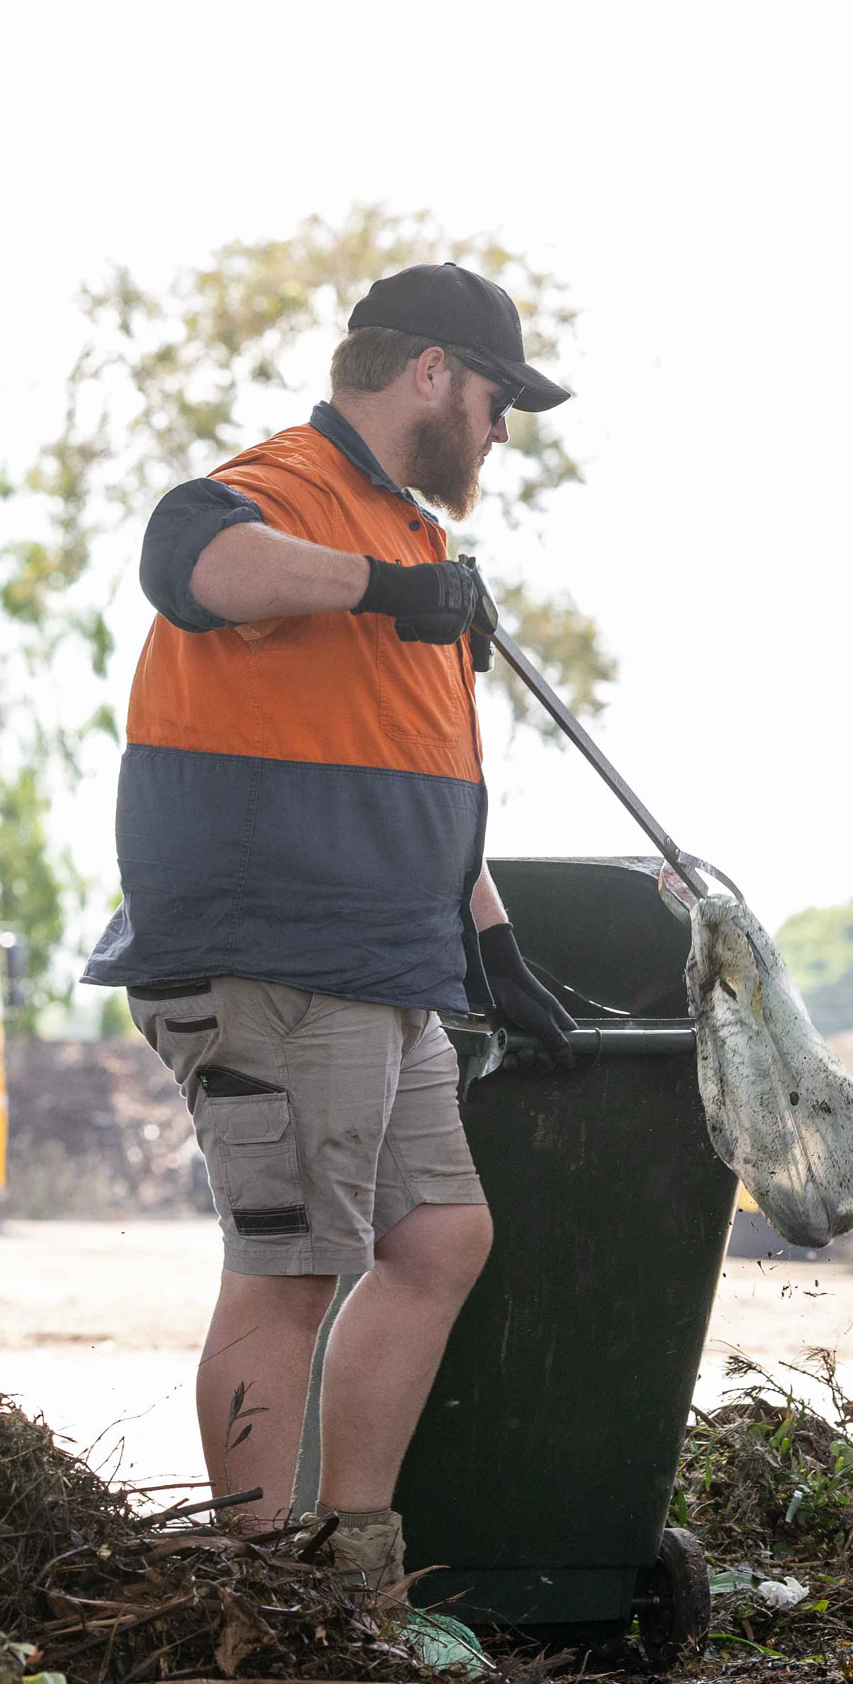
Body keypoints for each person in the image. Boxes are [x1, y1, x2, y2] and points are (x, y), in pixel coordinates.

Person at [80, 260, 584, 1608]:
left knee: (440, 1243)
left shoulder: (412, 546)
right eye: (493, 401)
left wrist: (492, 945)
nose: (496, 431)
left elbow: (408, 772)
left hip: (381, 966)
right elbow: (183, 560)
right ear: (430, 374)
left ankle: (352, 1569)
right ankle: (260, 1603)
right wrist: (376, 587)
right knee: (290, 1275)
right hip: (272, 961)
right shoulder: (288, 494)